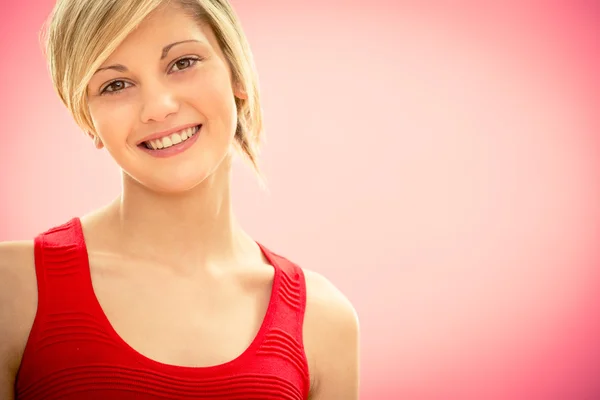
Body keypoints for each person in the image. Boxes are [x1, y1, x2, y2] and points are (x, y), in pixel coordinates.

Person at [0, 0, 360, 398]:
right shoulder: (12, 289)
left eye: (182, 63)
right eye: (115, 85)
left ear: (236, 75)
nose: (158, 108)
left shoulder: (323, 321)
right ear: (89, 121)